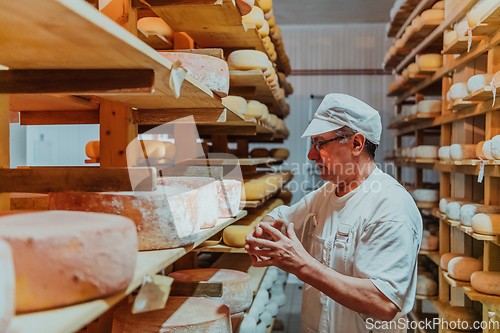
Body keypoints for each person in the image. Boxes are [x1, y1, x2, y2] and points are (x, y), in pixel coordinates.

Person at [245, 93, 422, 333]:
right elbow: (283, 217)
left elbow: (384, 302)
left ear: (356, 144)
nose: (311, 155)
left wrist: (302, 266)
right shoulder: (327, 193)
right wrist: (264, 231)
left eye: (320, 143)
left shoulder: (391, 207)